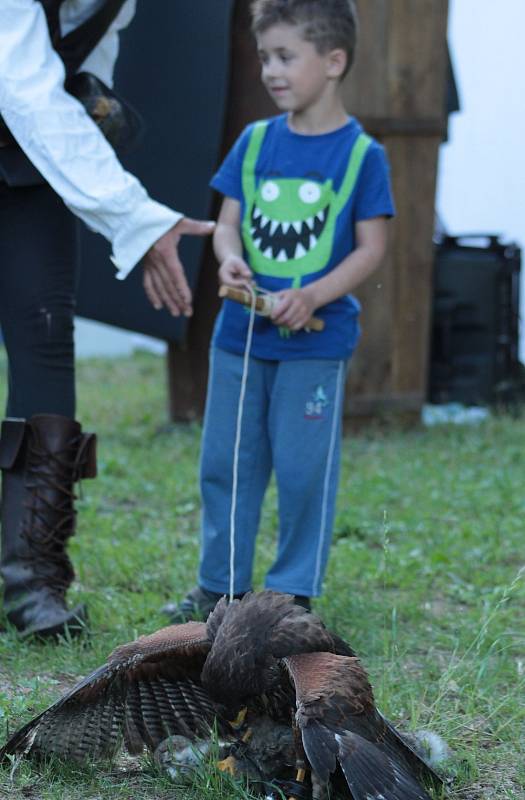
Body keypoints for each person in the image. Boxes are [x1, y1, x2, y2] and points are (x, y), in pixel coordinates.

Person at [163, 0, 395, 623]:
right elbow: (228, 227)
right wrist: (229, 258)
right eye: (265, 56)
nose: (270, 70)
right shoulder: (255, 141)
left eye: (286, 56)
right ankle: (221, 586)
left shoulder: (361, 155)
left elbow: (372, 247)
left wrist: (314, 295)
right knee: (226, 463)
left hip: (316, 344)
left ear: (334, 61)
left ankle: (293, 592)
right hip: (239, 336)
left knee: (300, 470)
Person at [0, 0, 214, 639]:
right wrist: (135, 218)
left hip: (26, 159)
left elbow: (81, 69)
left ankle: (32, 580)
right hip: (23, 110)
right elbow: (25, 87)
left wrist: (95, 108)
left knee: (45, 336)